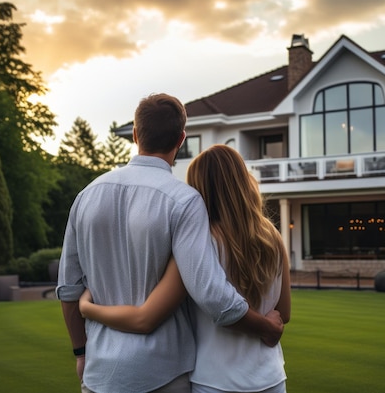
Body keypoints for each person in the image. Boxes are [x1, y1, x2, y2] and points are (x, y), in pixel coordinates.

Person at [56, 94, 283, 393]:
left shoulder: (86, 196)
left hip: (100, 374)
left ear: (136, 135)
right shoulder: (184, 201)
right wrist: (267, 327)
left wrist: (81, 352)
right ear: (181, 138)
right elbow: (212, 295)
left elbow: (69, 290)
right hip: (163, 374)